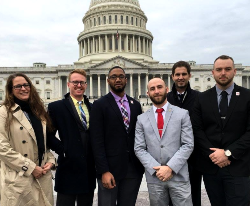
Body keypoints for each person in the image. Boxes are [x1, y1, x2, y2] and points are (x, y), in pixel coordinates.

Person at [192, 55, 250, 206]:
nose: (223, 73)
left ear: (235, 71)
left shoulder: (247, 96)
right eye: (219, 69)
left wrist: (228, 153)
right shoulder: (202, 98)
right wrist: (214, 155)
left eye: (227, 69)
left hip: (239, 166)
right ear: (213, 73)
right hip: (212, 167)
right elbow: (197, 131)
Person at [90, 66, 144, 206]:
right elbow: (96, 141)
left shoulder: (136, 105)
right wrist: (104, 170)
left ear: (126, 80)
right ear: (108, 80)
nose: (118, 79)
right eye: (114, 77)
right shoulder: (99, 105)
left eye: (121, 76)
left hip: (133, 168)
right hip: (110, 169)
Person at [134, 77, 194, 206]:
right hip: (155, 177)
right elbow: (139, 148)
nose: (156, 91)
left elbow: (188, 144)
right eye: (152, 89)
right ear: (148, 93)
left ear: (167, 89)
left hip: (178, 176)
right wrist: (157, 170)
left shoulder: (182, 114)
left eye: (159, 87)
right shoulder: (141, 119)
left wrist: (170, 168)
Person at [0, 73, 55, 206]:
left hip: (42, 175)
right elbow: (2, 147)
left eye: (26, 85)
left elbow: (42, 143)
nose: (23, 89)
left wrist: (51, 160)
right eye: (18, 86)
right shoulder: (4, 112)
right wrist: (30, 167)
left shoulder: (38, 111)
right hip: (19, 176)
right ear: (10, 91)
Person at [47, 69, 96, 206]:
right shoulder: (56, 107)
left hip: (88, 169)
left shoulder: (93, 108)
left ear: (86, 85)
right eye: (75, 82)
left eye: (81, 82)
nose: (78, 85)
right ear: (68, 84)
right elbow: (48, 135)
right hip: (68, 167)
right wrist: (63, 150)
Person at [167, 61, 201, 206]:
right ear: (172, 76)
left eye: (184, 74)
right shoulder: (165, 99)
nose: (181, 77)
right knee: (169, 197)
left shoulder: (200, 98)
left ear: (189, 75)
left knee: (194, 196)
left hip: (194, 157)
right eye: (178, 74)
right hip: (170, 157)